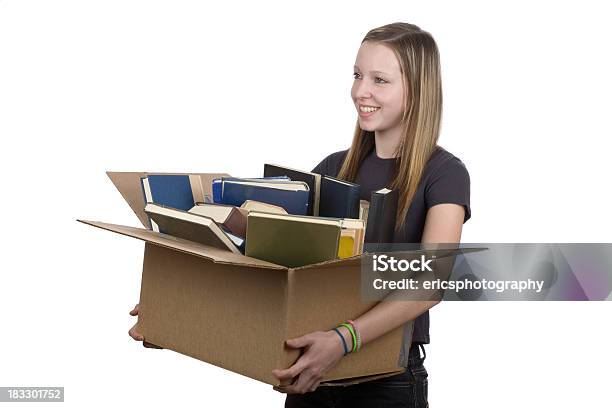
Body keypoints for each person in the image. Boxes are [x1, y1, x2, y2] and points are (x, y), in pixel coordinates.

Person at [129, 22, 470, 408]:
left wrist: (343, 339)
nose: (361, 91)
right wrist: (178, 311)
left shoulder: (444, 173)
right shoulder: (332, 171)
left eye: (380, 80)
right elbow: (277, 274)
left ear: (418, 89)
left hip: (386, 379)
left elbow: (430, 281)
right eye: (357, 75)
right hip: (311, 371)